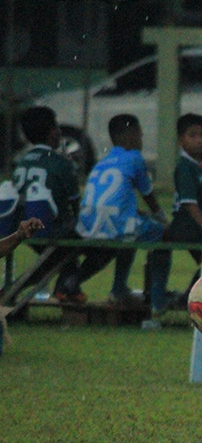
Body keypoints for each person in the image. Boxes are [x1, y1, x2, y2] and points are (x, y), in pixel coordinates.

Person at [74, 114, 166, 304]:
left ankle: (119, 288)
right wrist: (161, 216)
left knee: (131, 231)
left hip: (87, 224)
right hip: (113, 224)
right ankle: (157, 299)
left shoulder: (103, 161)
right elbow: (147, 194)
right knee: (163, 234)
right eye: (140, 135)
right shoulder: (134, 157)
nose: (141, 140)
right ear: (130, 136)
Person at [9, 106, 86, 303]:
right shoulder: (61, 162)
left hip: (20, 227)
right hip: (49, 226)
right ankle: (66, 287)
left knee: (57, 256)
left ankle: (66, 287)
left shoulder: (21, 162)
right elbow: (75, 205)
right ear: (53, 132)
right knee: (83, 241)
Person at [144, 113, 202, 328]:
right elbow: (190, 204)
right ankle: (160, 303)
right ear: (181, 139)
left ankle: (186, 298)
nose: (199, 139)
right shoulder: (184, 166)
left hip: (194, 223)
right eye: (192, 135)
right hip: (185, 223)